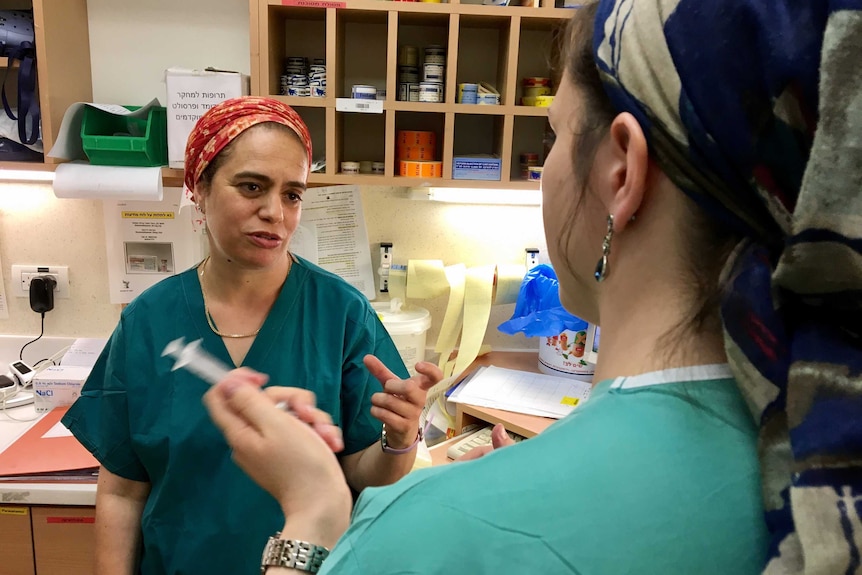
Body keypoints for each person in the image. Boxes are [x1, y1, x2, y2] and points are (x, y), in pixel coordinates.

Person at [205, 0, 862, 572]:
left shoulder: (412, 533)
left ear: (621, 171)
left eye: (554, 134)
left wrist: (315, 514)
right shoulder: (821, 467)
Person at [61, 96, 438, 575]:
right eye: (251, 186)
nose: (275, 213)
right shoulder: (149, 320)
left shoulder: (340, 313)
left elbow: (364, 478)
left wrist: (398, 439)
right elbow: (121, 489)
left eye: (292, 194)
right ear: (199, 189)